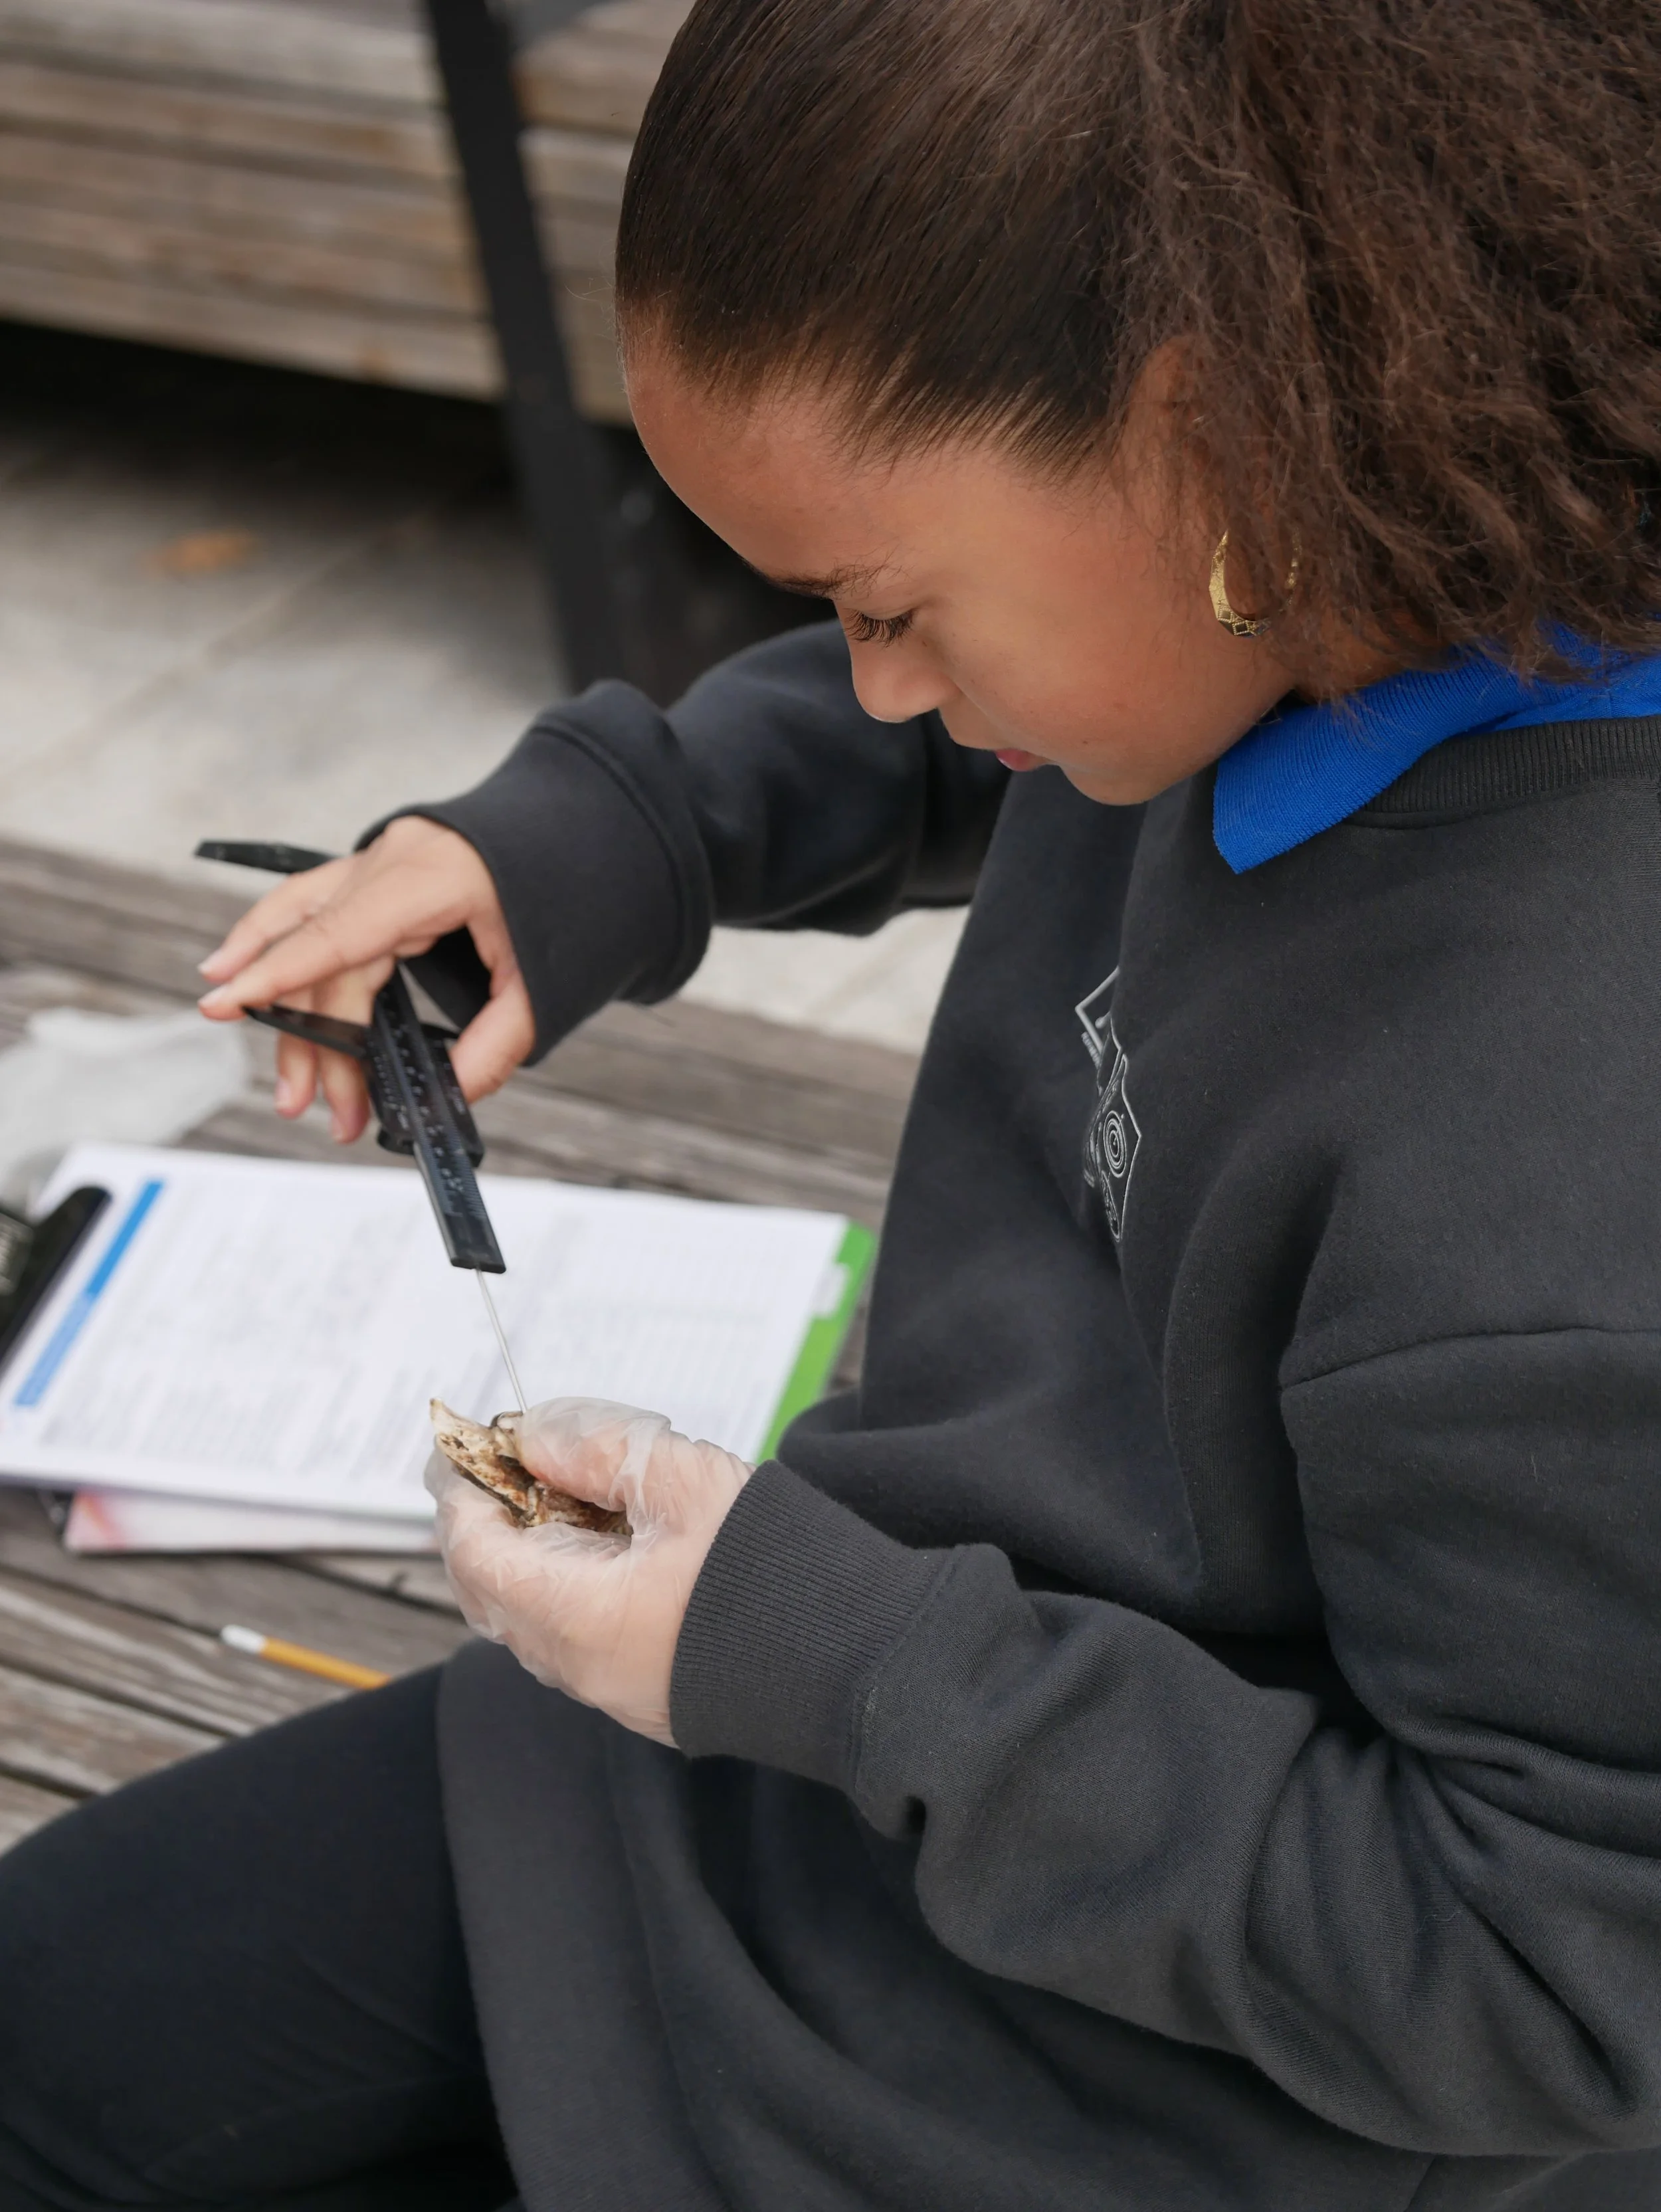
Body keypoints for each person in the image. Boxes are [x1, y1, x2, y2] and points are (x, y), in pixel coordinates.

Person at [4, 0, 1661, 2205]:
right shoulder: (1370, 555)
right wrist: (611, 839)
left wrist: (827, 1655)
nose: (879, 684)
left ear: (1229, 431)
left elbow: (1549, 1986)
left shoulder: (1562, 1184)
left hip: (1111, 2092)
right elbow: (988, 717)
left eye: (884, 607)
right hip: (781, 1757)